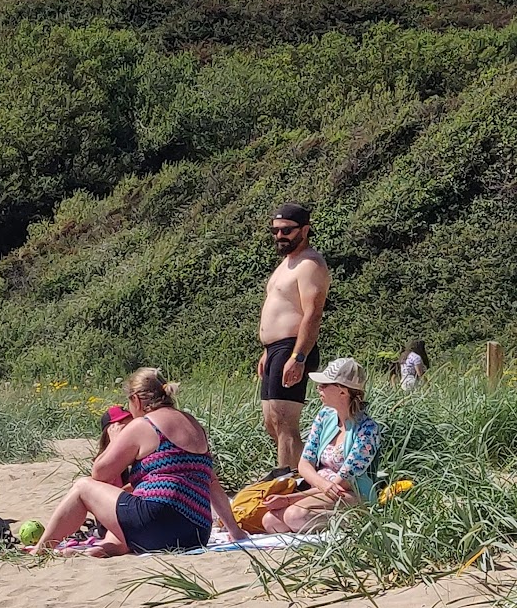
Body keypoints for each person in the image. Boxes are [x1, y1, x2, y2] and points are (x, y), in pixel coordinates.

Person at [28, 369, 247, 557]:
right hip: (195, 532)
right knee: (128, 503)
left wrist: (114, 441)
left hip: (158, 522)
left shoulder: (143, 424)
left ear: (136, 399)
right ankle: (109, 547)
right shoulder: (193, 424)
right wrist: (234, 531)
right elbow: (211, 482)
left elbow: (100, 473)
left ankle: (42, 548)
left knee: (83, 487)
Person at [262, 358, 380, 534]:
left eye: (324, 385)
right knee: (271, 520)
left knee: (294, 516)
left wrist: (290, 499)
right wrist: (320, 485)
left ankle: (356, 520)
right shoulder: (325, 416)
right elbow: (304, 463)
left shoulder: (368, 429)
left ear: (343, 391)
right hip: (320, 490)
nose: (318, 388)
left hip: (352, 494)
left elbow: (343, 483)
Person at [258, 202, 331, 470]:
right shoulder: (286, 264)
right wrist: (267, 351)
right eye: (275, 231)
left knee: (284, 420)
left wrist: (298, 356)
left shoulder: (310, 264)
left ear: (305, 230)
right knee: (271, 421)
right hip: (275, 349)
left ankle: (286, 481)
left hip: (293, 347)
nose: (280, 236)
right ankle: (311, 473)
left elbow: (312, 313)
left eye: (286, 230)